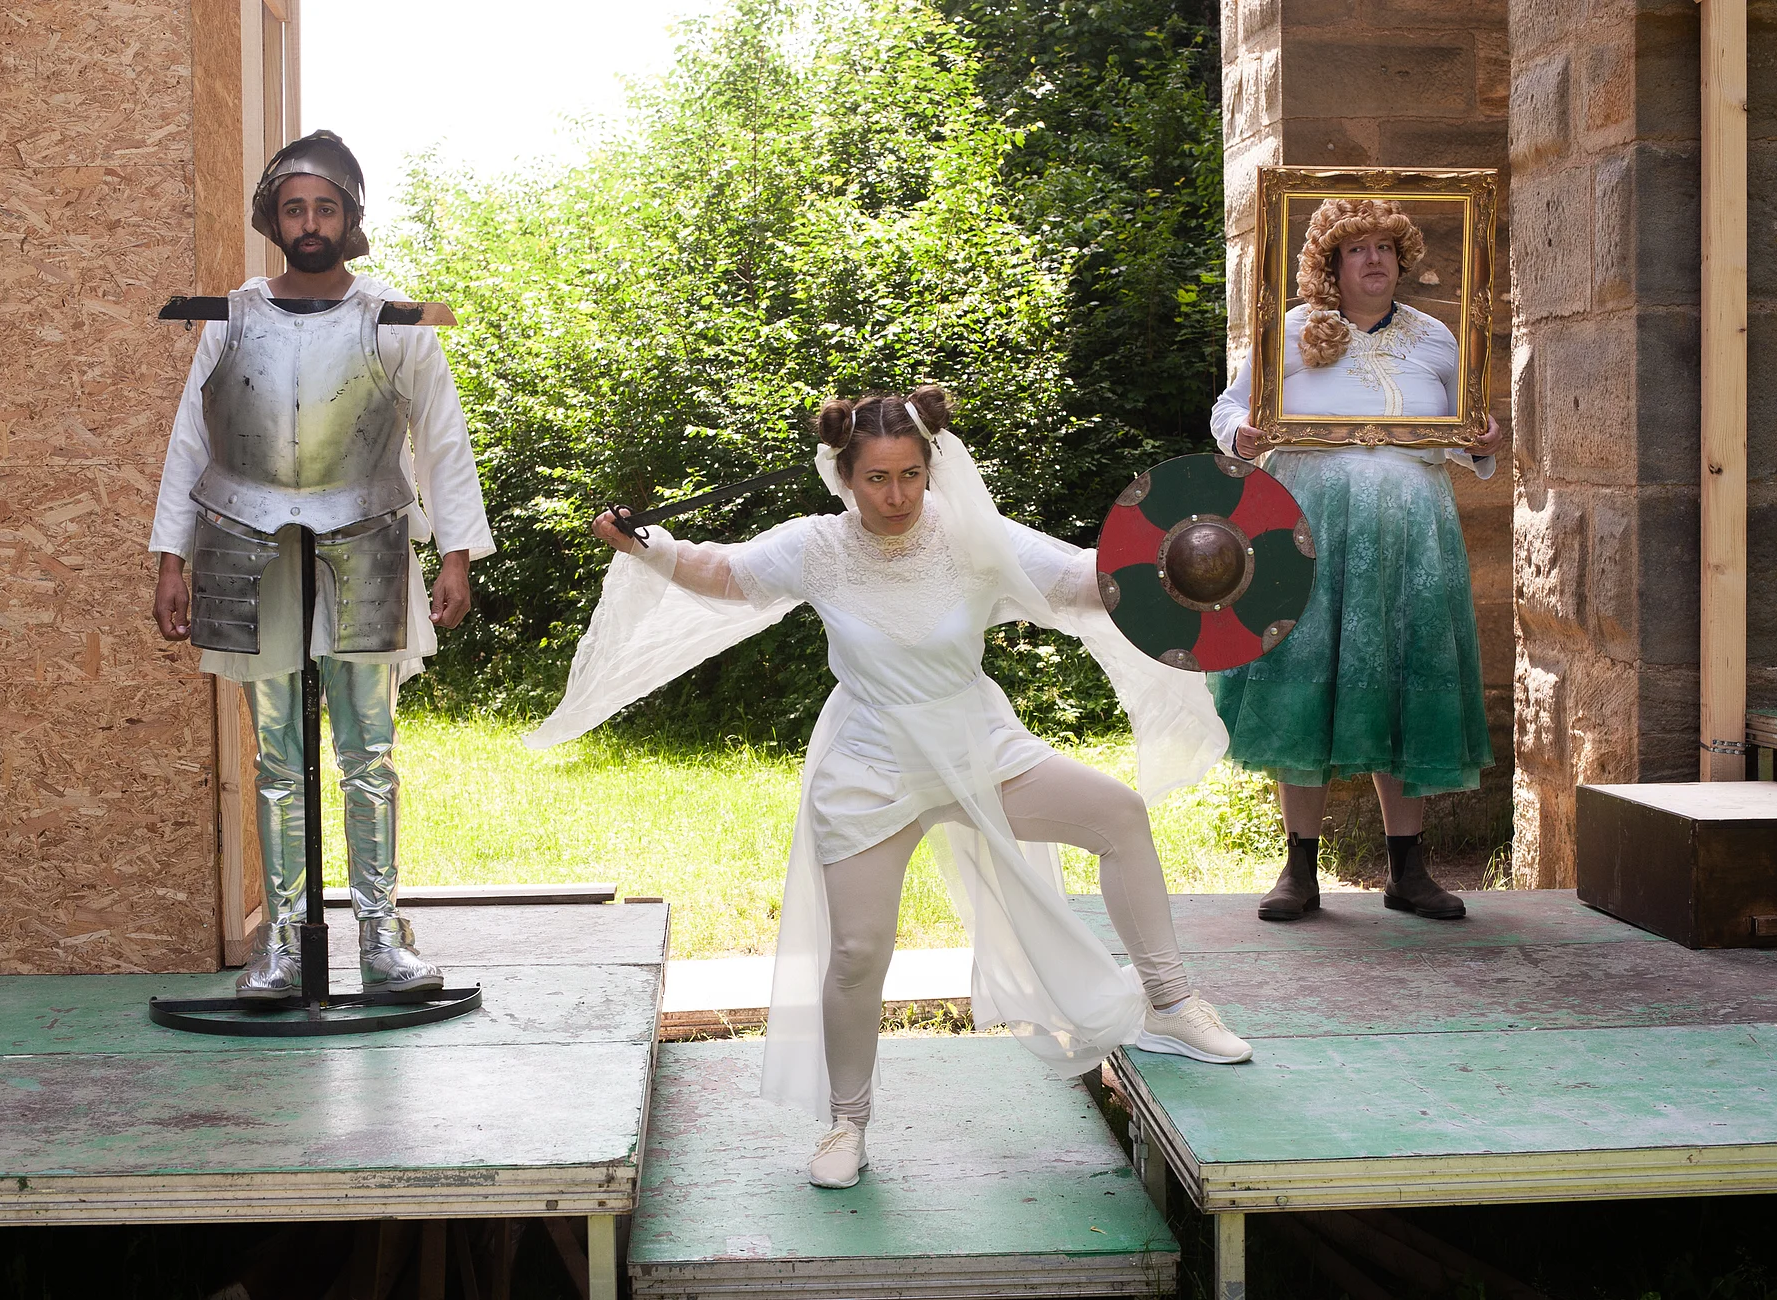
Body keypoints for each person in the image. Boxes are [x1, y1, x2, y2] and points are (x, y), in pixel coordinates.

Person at [528, 387, 1249, 1191]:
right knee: (858, 951)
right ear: (845, 476)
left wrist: (1188, 556)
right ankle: (849, 1122)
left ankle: (1172, 1006)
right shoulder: (815, 547)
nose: (898, 496)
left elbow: (1082, 582)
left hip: (978, 742)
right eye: (877, 479)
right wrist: (648, 543)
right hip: (870, 764)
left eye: (911, 474)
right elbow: (723, 571)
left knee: (1118, 814)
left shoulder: (973, 536)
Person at [149, 131, 494, 997]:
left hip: (367, 534)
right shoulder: (231, 315)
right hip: (246, 537)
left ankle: (379, 934)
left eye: (326, 207)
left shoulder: (392, 318)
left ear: (350, 220)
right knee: (275, 753)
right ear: (276, 218)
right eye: (296, 207)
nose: (310, 223)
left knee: (368, 748)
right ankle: (286, 942)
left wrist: (454, 553)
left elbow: (441, 441)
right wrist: (169, 559)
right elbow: (193, 442)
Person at [1210, 198, 1503, 923]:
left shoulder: (1438, 338)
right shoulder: (1288, 333)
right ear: (1332, 264)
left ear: (1402, 259)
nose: (1372, 259)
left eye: (1385, 247)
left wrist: (1486, 437)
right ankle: (1299, 870)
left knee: (1403, 674)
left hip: (1413, 538)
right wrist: (1243, 436)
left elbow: (1470, 438)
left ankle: (1408, 871)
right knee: (1306, 677)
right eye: (1355, 249)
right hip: (1308, 530)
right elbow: (1230, 408)